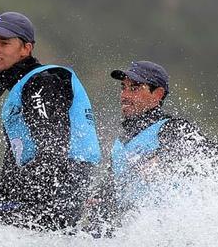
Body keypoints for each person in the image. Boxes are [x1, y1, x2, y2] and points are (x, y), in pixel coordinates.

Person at [0, 11, 102, 230]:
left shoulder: (41, 84)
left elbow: (53, 152)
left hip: (59, 195)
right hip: (42, 188)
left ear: (26, 48)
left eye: (4, 43)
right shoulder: (23, 86)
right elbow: (14, 170)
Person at [87, 60, 209, 225]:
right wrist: (96, 200)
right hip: (135, 234)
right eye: (123, 88)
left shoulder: (172, 127)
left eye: (134, 88)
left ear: (158, 94)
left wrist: (163, 158)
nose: (125, 96)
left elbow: (209, 156)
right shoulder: (120, 144)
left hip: (172, 231)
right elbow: (110, 190)